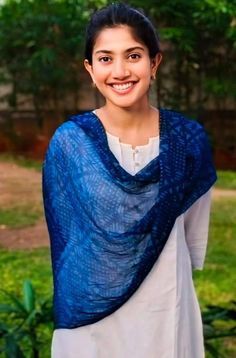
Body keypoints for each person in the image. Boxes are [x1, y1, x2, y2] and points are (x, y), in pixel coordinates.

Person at [42, 3, 217, 358]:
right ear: (90, 69)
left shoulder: (188, 141)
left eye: (133, 55)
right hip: (92, 323)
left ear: (154, 63)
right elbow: (68, 242)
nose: (120, 71)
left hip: (168, 311)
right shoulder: (70, 143)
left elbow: (189, 239)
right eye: (105, 58)